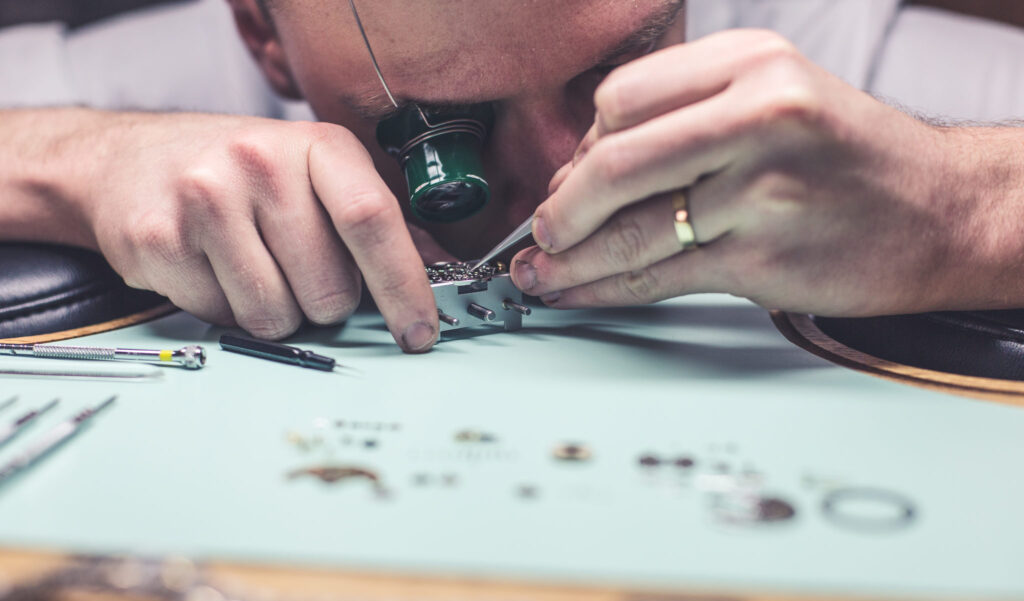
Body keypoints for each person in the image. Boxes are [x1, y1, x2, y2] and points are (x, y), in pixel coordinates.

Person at [1, 0, 1023, 353]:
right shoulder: (182, 64)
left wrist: (959, 209)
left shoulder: (833, 42)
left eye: (619, 68)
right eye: (440, 128)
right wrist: (75, 161)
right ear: (262, 34)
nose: (556, 180)